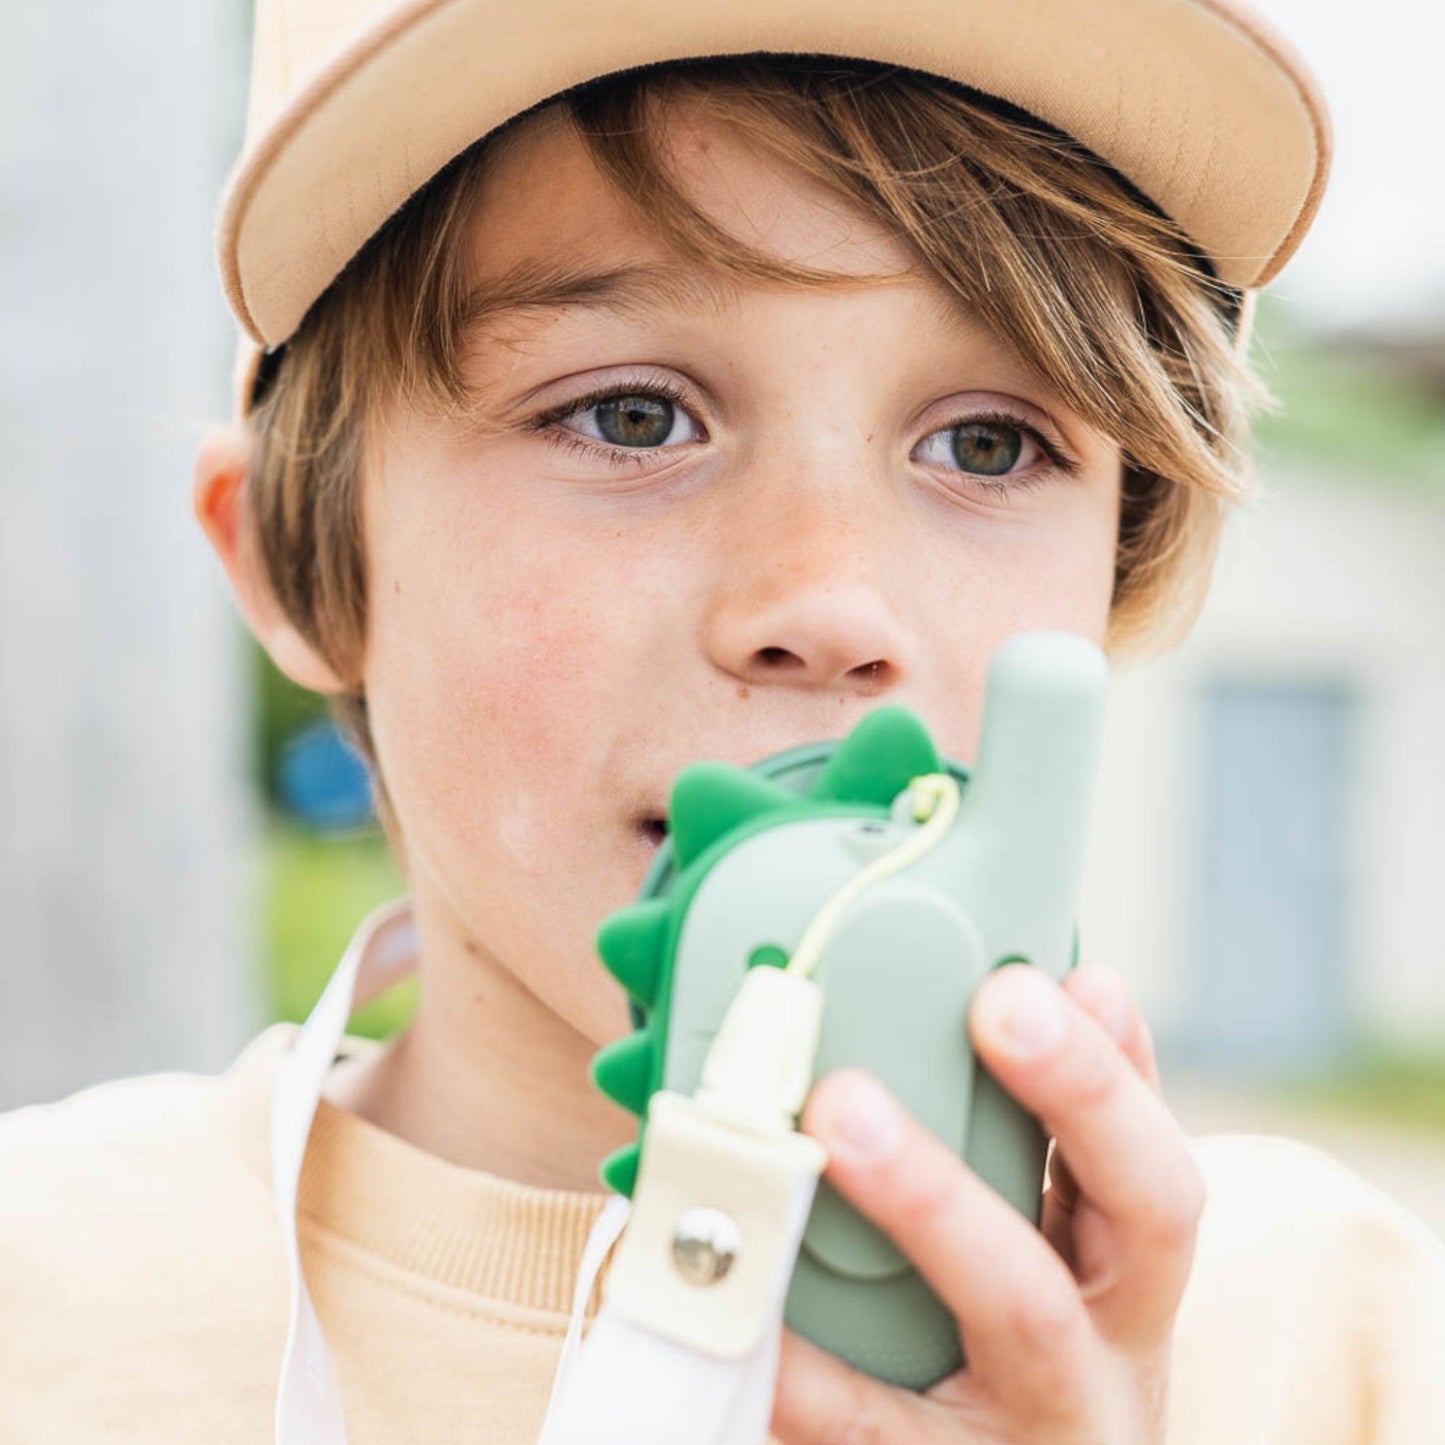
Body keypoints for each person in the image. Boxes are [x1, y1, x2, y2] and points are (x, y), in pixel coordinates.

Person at [3, 3, 1443, 1442]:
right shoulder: (52, 1296)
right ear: (286, 555)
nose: (826, 601)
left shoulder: (1334, 1337)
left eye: (986, 443)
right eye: (630, 415)